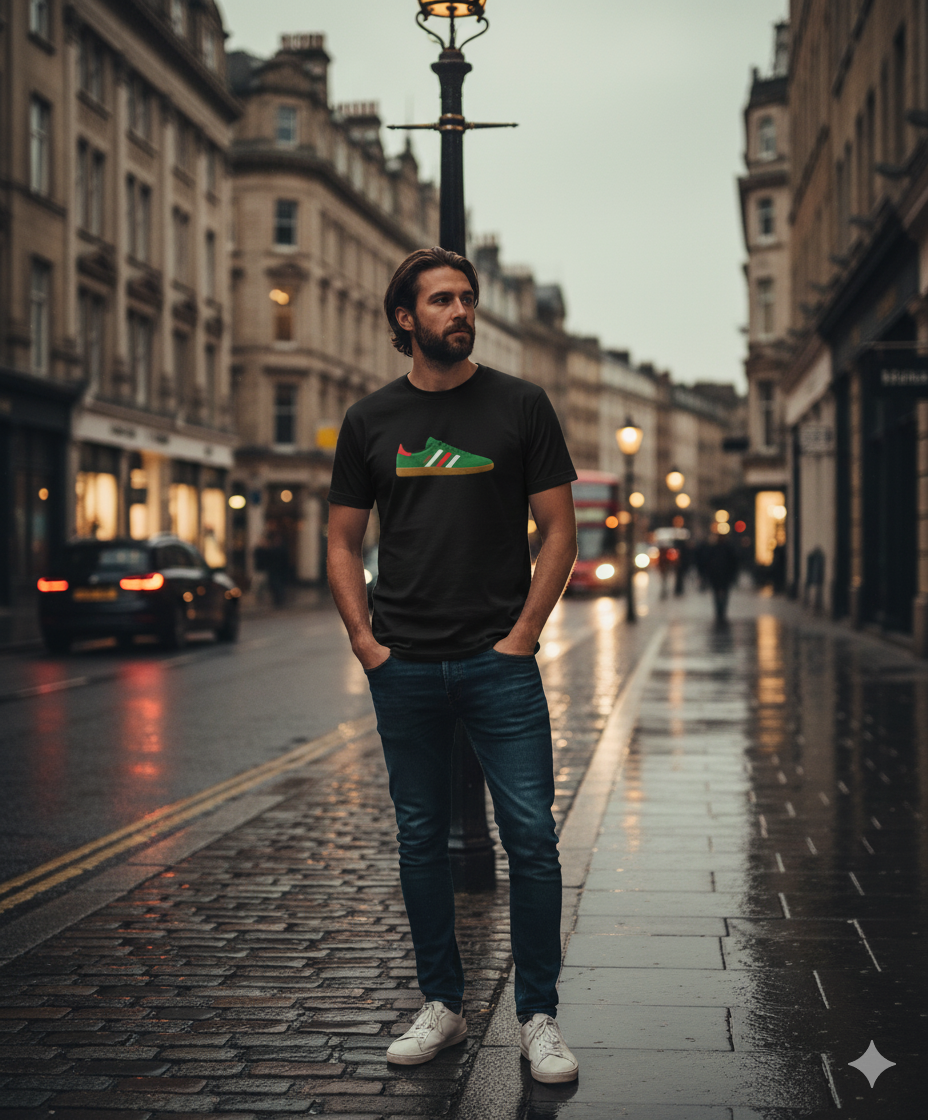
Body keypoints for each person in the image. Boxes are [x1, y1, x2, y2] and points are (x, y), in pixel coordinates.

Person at [326, 247, 580, 1085]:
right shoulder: (369, 420)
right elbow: (341, 541)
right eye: (441, 299)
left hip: (498, 664)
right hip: (404, 665)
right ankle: (443, 1003)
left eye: (466, 297)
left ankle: (538, 1017)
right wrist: (366, 643)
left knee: (532, 837)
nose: (460, 310)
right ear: (405, 318)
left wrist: (524, 634)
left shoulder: (521, 404)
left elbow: (560, 531)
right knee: (420, 839)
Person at [704, 533, 740, 623]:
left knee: (718, 595)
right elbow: (734, 563)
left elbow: (708, 562)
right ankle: (721, 612)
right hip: (723, 576)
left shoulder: (715, 549)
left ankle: (720, 612)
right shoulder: (728, 548)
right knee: (723, 595)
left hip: (718, 576)